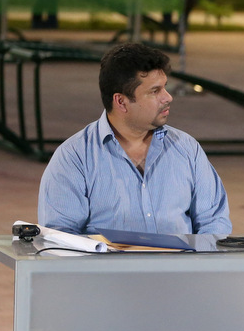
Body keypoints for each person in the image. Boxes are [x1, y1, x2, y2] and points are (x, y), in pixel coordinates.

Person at [38, 43, 231, 235]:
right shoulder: (74, 158)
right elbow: (61, 237)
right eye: (154, 91)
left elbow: (214, 222)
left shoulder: (187, 148)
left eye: (165, 87)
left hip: (182, 257)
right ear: (121, 101)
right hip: (106, 257)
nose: (168, 97)